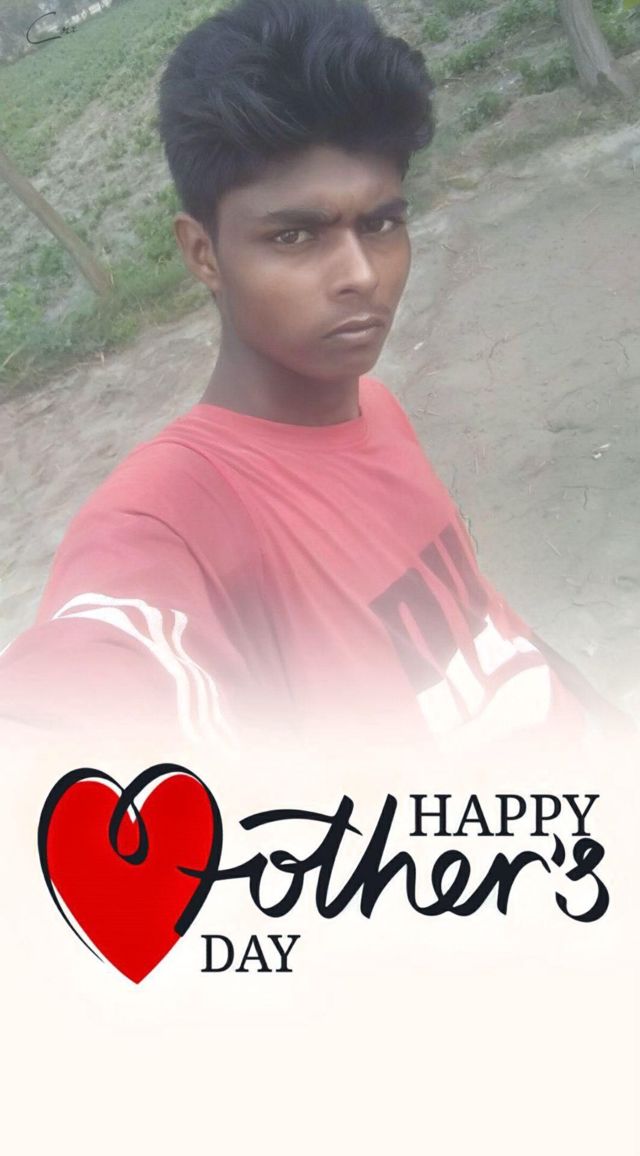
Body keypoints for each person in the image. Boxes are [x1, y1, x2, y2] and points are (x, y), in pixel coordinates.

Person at [0, 0, 629, 774]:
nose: (361, 275)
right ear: (202, 254)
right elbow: (70, 724)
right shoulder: (171, 521)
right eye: (294, 236)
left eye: (382, 224)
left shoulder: (376, 408)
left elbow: (482, 628)